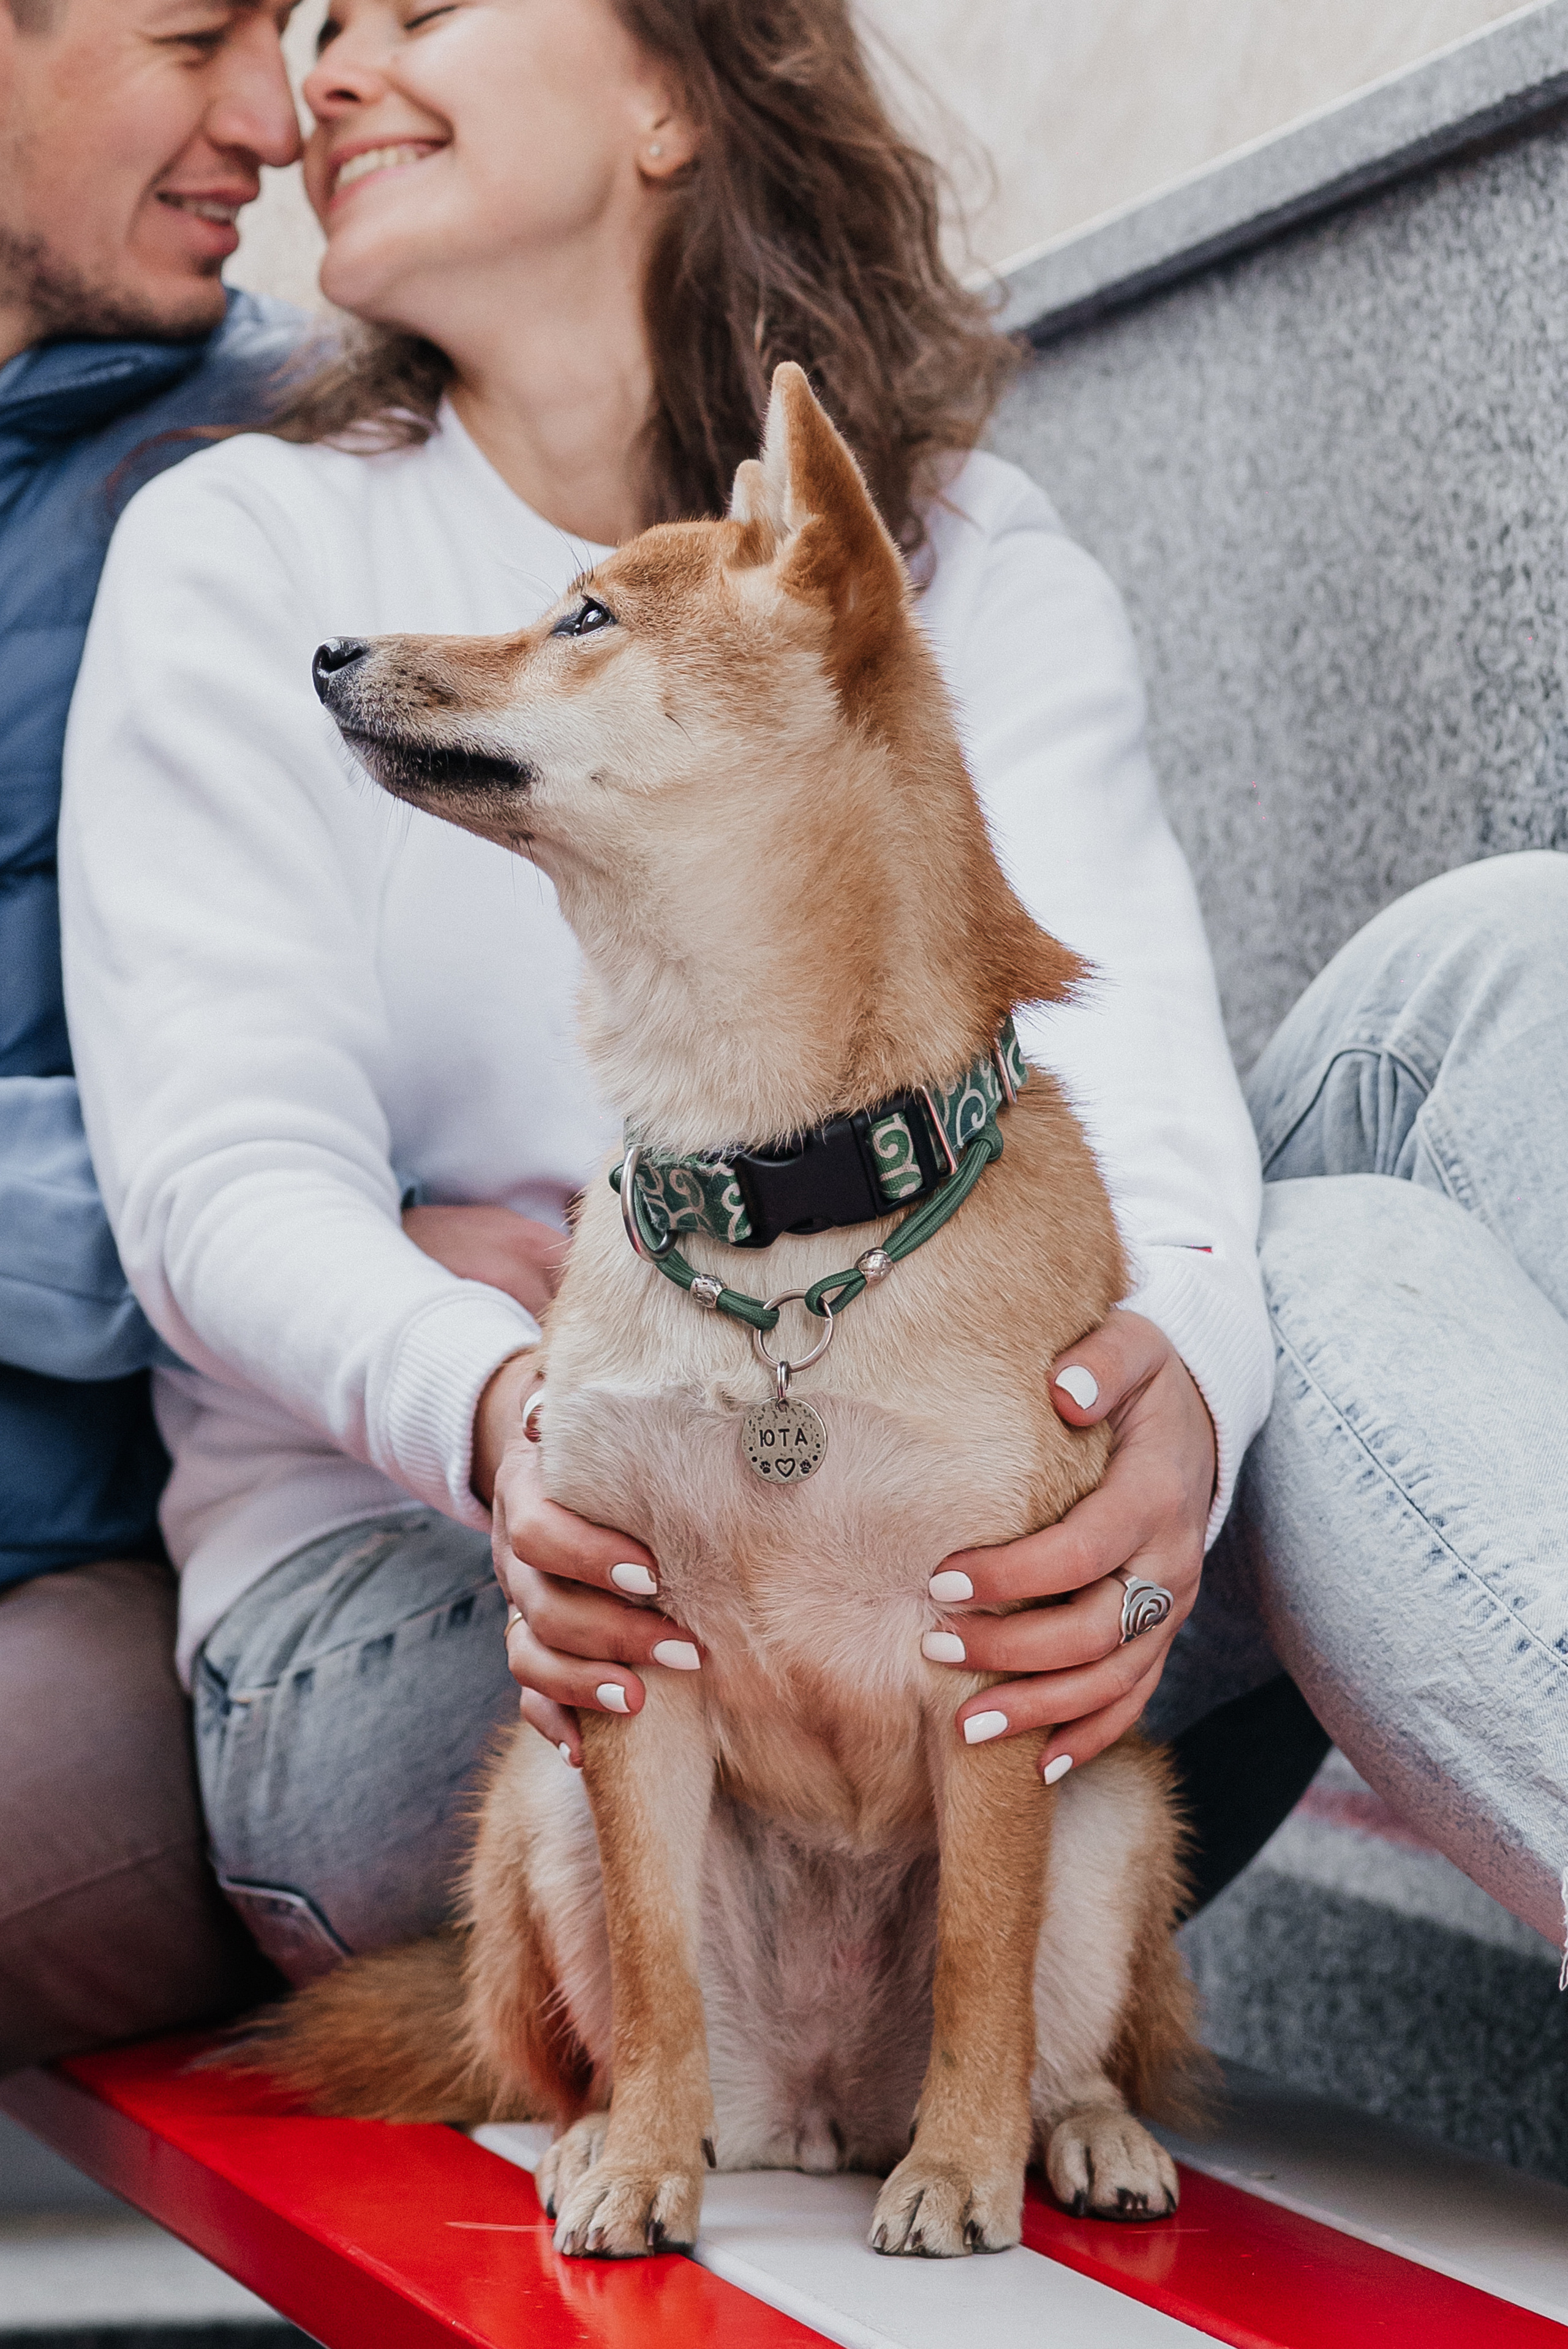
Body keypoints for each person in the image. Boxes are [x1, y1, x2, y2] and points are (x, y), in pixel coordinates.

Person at [58, 0, 1324, 2003]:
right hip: (447, 1640)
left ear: (673, 84)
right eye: (319, 30)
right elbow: (218, 1171)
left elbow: (1129, 1083)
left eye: (423, 8)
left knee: (1459, 1025)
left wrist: (1182, 1387)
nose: (326, 82)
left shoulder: (953, 567)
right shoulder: (250, 547)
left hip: (962, 1606)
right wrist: (503, 1407)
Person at [0, 0, 307, 2068]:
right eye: (197, 33)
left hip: (105, 1563)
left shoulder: (290, 457)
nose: (276, 121)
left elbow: (311, 1163)